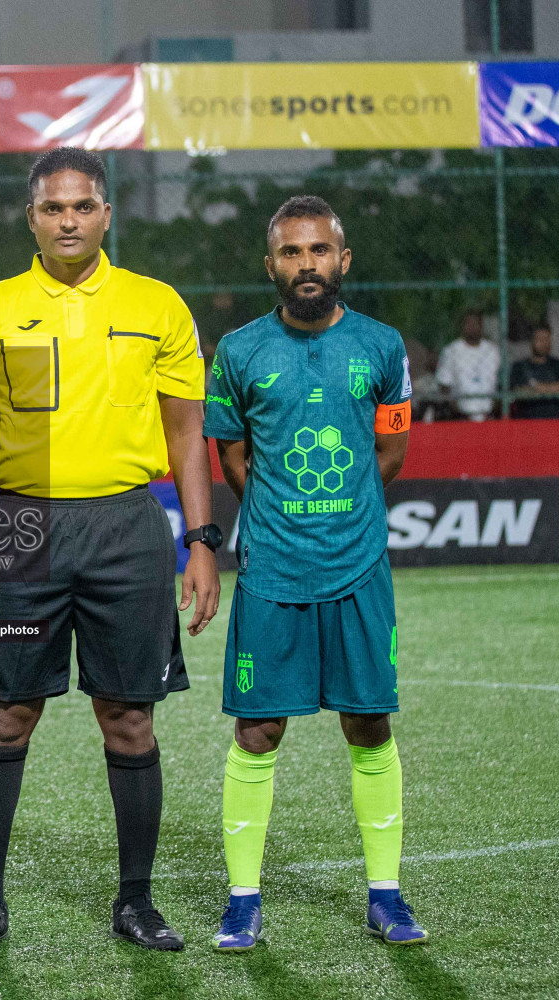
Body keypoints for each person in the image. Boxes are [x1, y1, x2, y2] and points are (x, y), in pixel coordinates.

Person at [0, 148, 219, 956]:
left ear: (107, 214)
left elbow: (185, 432)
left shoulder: (157, 304)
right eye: (53, 208)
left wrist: (202, 542)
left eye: (84, 206)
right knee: (7, 716)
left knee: (129, 718)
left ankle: (135, 902)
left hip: (128, 529)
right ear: (31, 218)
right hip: (19, 526)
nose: (69, 220)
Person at [203, 195, 425, 952]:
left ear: (343, 260)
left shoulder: (383, 346)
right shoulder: (237, 351)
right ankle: (242, 899)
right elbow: (232, 459)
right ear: (271, 265)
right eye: (292, 253)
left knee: (369, 723)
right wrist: (283, 516)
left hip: (360, 566)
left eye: (319, 251)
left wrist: (339, 513)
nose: (307, 265)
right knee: (258, 731)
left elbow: (390, 454)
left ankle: (387, 895)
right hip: (271, 568)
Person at [435, 310, 499, 421]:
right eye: (468, 323)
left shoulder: (492, 351)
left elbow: (501, 383)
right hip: (461, 416)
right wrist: (454, 407)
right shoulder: (451, 351)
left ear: (482, 326)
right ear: (462, 326)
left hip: (489, 416)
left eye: (476, 323)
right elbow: (444, 384)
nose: (472, 327)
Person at [508, 325, 559, 419]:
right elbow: (520, 391)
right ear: (531, 342)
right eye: (540, 339)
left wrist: (536, 387)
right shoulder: (520, 367)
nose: (544, 343)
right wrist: (552, 389)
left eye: (547, 339)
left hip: (555, 422)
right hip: (527, 422)